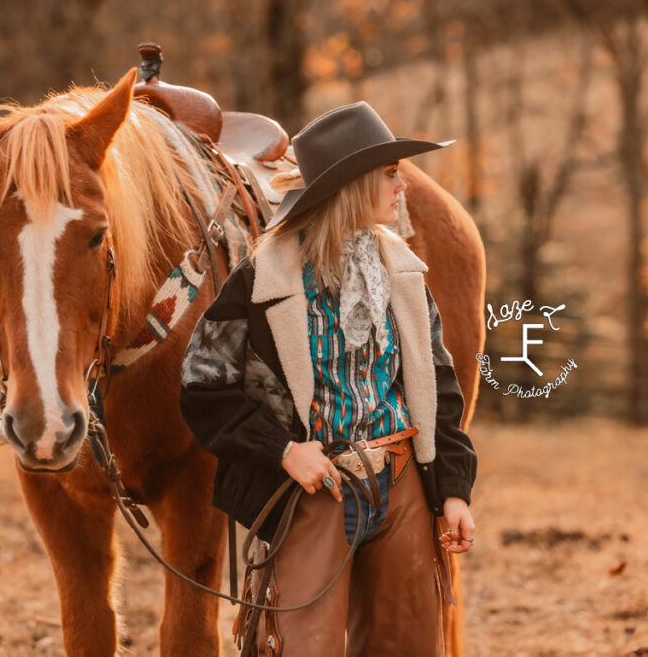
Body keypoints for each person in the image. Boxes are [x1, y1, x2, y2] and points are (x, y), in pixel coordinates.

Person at [179, 101, 478, 656]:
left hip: (403, 481)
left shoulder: (404, 273)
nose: (402, 187)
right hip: (315, 490)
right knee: (302, 647)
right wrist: (285, 450)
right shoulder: (262, 280)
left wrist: (454, 491)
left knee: (405, 646)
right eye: (389, 176)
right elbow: (203, 388)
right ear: (353, 186)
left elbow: (438, 387)